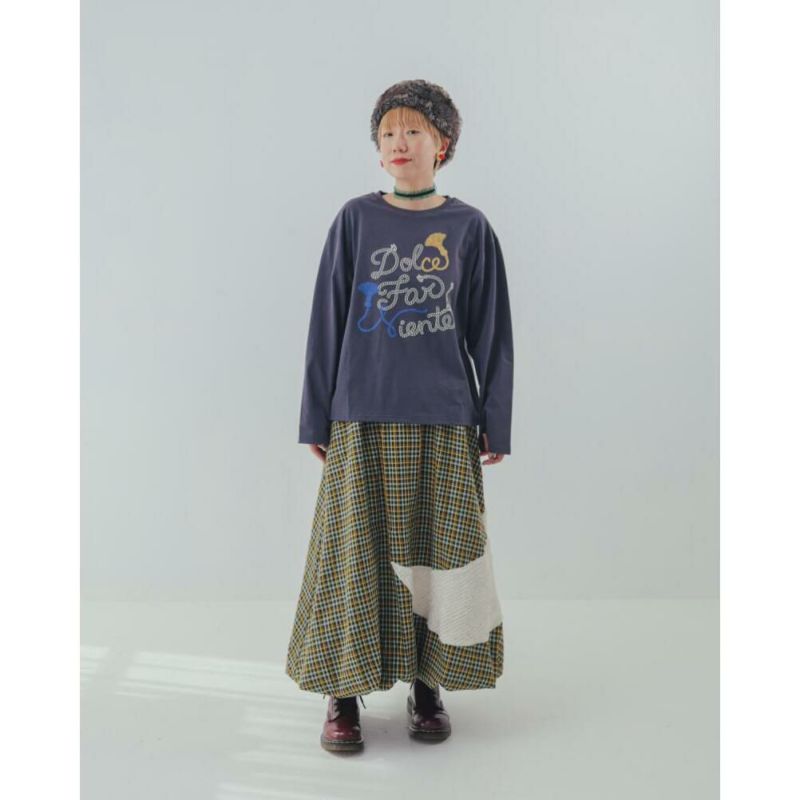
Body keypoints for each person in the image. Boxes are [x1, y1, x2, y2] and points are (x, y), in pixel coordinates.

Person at [285, 79, 514, 753]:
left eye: (413, 130)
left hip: (445, 417)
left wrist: (495, 419)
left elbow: (492, 332)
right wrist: (316, 417)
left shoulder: (470, 228)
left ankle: (427, 683)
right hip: (361, 415)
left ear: (443, 143)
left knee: (438, 558)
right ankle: (342, 692)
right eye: (388, 132)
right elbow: (326, 322)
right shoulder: (355, 220)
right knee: (352, 554)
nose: (398, 143)